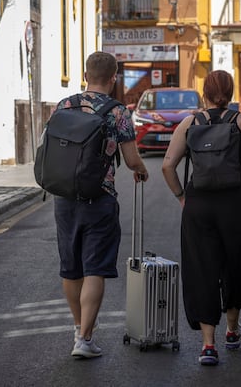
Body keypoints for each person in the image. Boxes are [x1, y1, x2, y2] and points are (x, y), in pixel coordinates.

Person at [161, 70, 241, 366]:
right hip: (235, 204)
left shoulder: (189, 123)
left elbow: (168, 166)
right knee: (232, 263)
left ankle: (208, 346)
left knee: (202, 268)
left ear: (205, 93)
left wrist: (183, 197)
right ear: (231, 93)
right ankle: (232, 331)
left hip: (199, 204)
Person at [53, 51, 148, 359]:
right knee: (95, 267)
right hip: (100, 195)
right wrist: (140, 170)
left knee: (71, 268)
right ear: (113, 78)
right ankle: (84, 338)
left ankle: (78, 327)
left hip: (64, 196)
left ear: (85, 75)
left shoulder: (64, 105)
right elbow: (131, 159)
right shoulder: (117, 112)